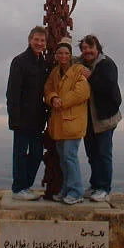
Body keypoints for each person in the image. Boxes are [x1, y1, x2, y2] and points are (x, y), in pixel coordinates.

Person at [44, 38, 90, 205]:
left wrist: (61, 101)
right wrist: (53, 97)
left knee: (70, 157)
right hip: (59, 123)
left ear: (70, 55)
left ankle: (76, 191)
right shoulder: (55, 73)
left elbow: (82, 92)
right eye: (60, 53)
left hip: (73, 122)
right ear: (56, 55)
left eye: (66, 53)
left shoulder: (78, 71)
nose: (63, 56)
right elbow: (48, 89)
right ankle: (66, 188)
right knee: (63, 158)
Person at [6, 26, 49, 200]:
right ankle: (18, 188)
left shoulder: (43, 63)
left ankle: (26, 186)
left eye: (42, 41)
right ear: (30, 40)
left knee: (37, 153)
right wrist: (14, 118)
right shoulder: (19, 61)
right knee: (20, 154)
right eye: (36, 40)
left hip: (38, 119)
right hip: (22, 118)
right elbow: (12, 92)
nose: (39, 43)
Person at [79, 34, 122, 202]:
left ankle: (104, 188)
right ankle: (95, 185)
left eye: (90, 48)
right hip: (89, 119)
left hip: (105, 119)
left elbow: (107, 88)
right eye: (84, 48)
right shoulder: (82, 64)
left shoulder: (107, 64)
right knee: (92, 154)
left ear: (98, 49)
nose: (87, 51)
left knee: (103, 153)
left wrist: (90, 77)